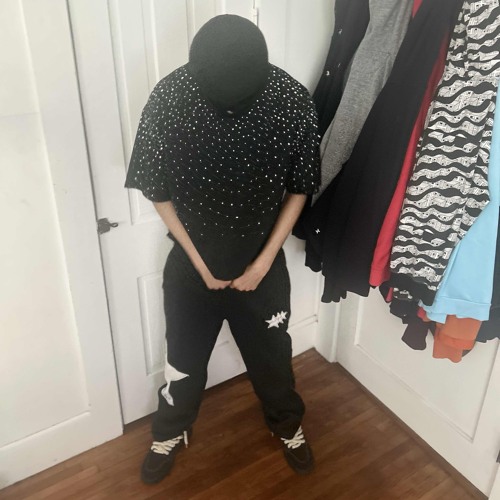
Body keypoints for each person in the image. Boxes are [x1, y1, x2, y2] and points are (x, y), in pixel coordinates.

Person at [124, 14, 321, 484]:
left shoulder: (292, 99)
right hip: (192, 267)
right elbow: (156, 190)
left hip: (262, 267)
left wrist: (264, 262)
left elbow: (300, 187)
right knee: (183, 361)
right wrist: (200, 263)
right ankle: (170, 430)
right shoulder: (170, 96)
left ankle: (287, 425)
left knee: (273, 361)